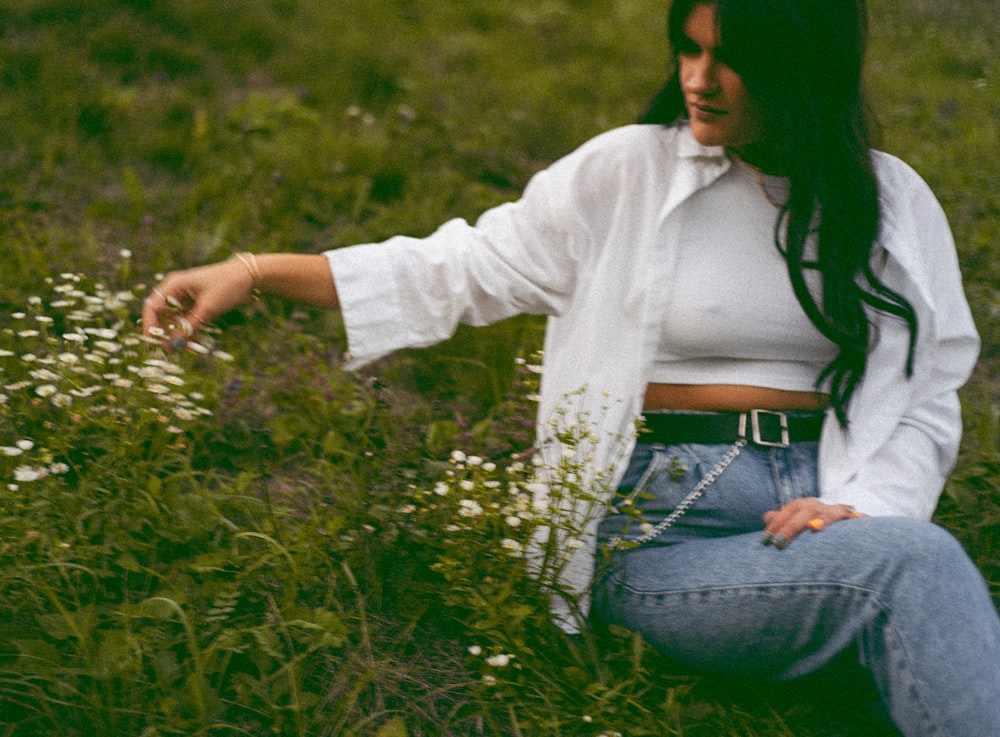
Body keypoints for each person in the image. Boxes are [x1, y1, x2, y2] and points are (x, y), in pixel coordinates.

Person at [142, 0, 1000, 734]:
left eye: (733, 60)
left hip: (821, 506)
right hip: (663, 522)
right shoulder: (630, 170)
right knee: (916, 567)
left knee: (904, 556)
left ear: (802, 68)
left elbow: (927, 388)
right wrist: (256, 270)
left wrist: (866, 509)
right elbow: (456, 267)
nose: (700, 78)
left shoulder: (887, 199)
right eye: (690, 48)